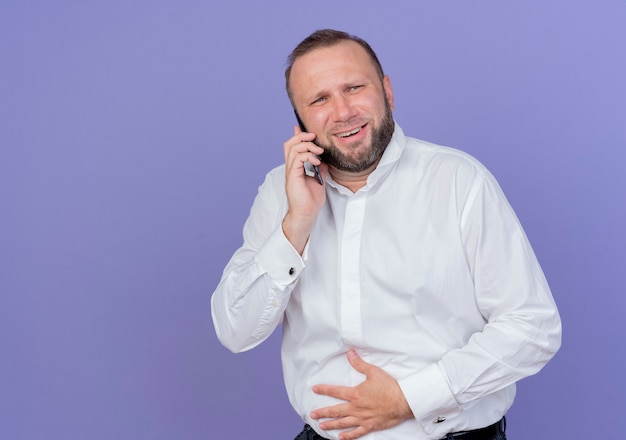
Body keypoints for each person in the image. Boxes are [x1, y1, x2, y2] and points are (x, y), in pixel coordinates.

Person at [211, 29, 561, 440]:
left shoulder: (459, 180)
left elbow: (533, 327)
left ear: (387, 92)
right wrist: (297, 224)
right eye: (319, 100)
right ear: (301, 122)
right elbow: (235, 331)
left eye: (354, 88)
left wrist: (411, 397)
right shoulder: (279, 192)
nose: (342, 112)